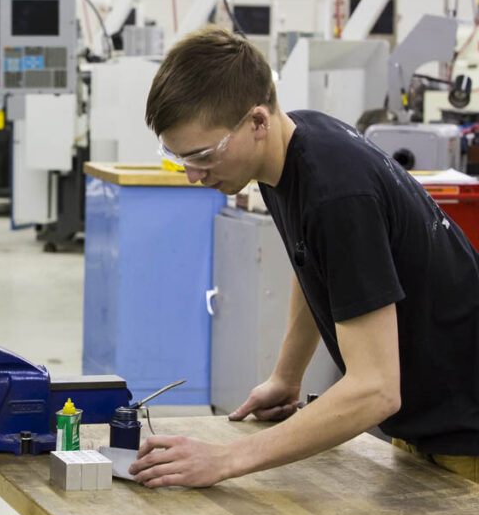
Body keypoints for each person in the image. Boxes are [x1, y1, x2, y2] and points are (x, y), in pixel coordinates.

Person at [131, 25, 479, 488]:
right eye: (180, 160)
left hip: (466, 434)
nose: (194, 175)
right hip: (431, 423)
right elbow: (314, 263)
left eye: (202, 155)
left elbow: (375, 390)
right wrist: (286, 375)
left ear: (257, 122)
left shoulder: (335, 194)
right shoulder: (289, 152)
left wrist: (226, 460)